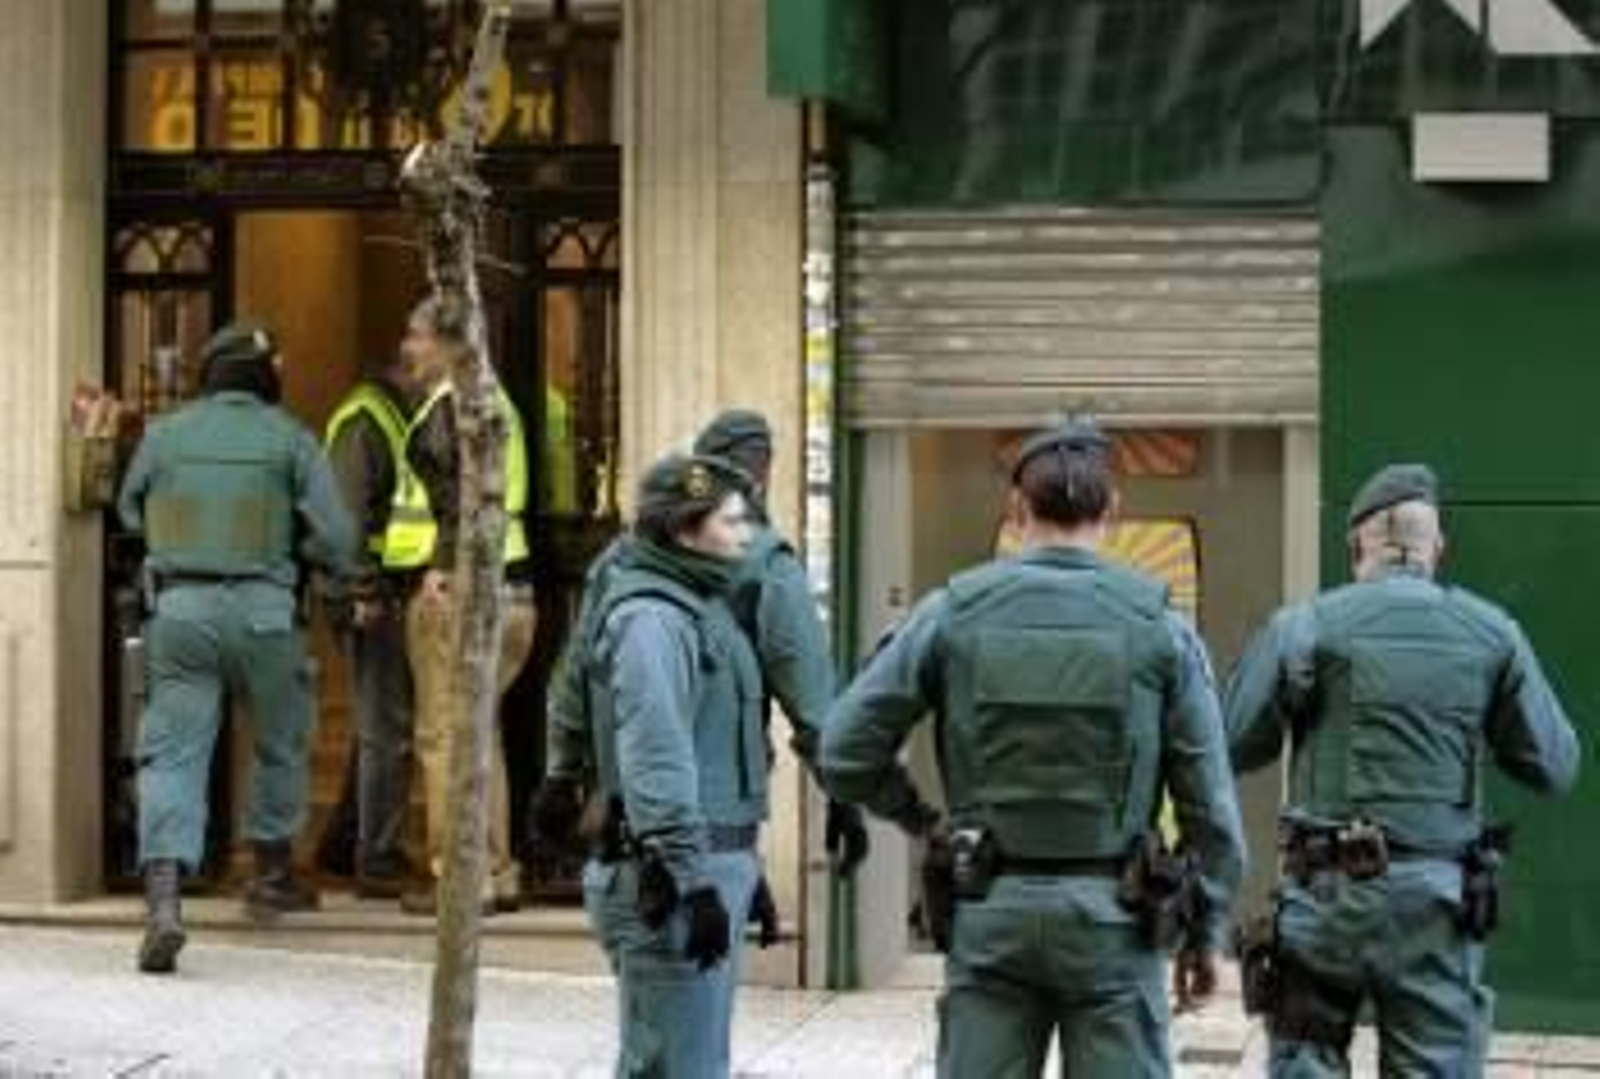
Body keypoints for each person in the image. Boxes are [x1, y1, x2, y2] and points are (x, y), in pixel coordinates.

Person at [821, 419, 1245, 1077]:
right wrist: (1207, 932)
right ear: (1112, 509)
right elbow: (1211, 809)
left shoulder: (950, 612)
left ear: (1016, 509)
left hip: (991, 911)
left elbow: (846, 750)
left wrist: (922, 820)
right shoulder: (1160, 627)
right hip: (1116, 921)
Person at [1225, 463, 1581, 1077]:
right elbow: (1554, 767)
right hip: (1436, 908)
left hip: (1323, 900)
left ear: (1355, 547)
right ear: (1436, 548)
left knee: (1304, 1059)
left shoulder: (1304, 625)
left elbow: (1235, 741)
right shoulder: (1492, 633)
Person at [531, 410, 870, 929]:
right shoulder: (768, 566)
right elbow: (812, 698)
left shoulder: (621, 559)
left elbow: (575, 676)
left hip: (626, 818)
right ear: (760, 476)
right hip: (710, 824)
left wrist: (560, 772)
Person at [118, 319, 356, 974]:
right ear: (263, 373)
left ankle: (165, 900)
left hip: (182, 611)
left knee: (171, 752)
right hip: (265, 613)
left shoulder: (165, 435)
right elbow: (336, 537)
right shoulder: (291, 439)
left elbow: (128, 509)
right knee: (281, 739)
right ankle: (271, 872)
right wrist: (305, 554)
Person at [579, 453, 766, 1077]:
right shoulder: (653, 619)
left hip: (704, 861)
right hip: (671, 876)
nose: (746, 533)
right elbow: (656, 755)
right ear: (686, 531)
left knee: (689, 1062)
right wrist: (693, 878)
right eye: (731, 521)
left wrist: (740, 864)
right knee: (674, 1067)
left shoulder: (696, 605)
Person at [395, 297, 537, 916]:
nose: (408, 347)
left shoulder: (458, 407)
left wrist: (442, 569)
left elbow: (465, 496)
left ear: (449, 344)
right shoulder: (495, 403)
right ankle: (497, 870)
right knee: (480, 735)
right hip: (513, 589)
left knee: (445, 737)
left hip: (462, 590)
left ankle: (461, 878)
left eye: (416, 335)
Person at [313, 351, 420, 898]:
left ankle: (344, 840)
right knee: (387, 728)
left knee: (377, 725)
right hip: (366, 594)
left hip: (379, 587)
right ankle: (375, 861)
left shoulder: (394, 416)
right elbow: (346, 517)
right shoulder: (365, 421)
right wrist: (362, 587)